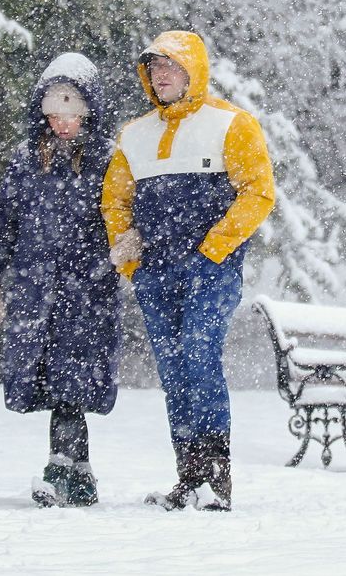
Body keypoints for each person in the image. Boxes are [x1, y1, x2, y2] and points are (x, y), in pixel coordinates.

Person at [101, 31, 275, 511]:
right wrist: (130, 256)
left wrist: (213, 251)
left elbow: (258, 192)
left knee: (200, 358)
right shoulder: (134, 135)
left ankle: (216, 479)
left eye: (171, 67)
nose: (161, 76)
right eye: (154, 69)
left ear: (193, 71)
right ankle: (188, 475)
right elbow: (115, 198)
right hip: (155, 272)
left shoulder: (231, 124)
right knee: (173, 371)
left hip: (210, 270)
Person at [0, 52, 120, 508]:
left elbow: (124, 217)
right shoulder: (25, 160)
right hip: (37, 291)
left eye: (71, 113)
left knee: (71, 381)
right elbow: (3, 224)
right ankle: (78, 473)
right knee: (53, 381)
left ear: (89, 111)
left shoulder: (108, 162)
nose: (62, 123)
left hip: (88, 290)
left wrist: (123, 250)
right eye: (53, 113)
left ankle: (61, 470)